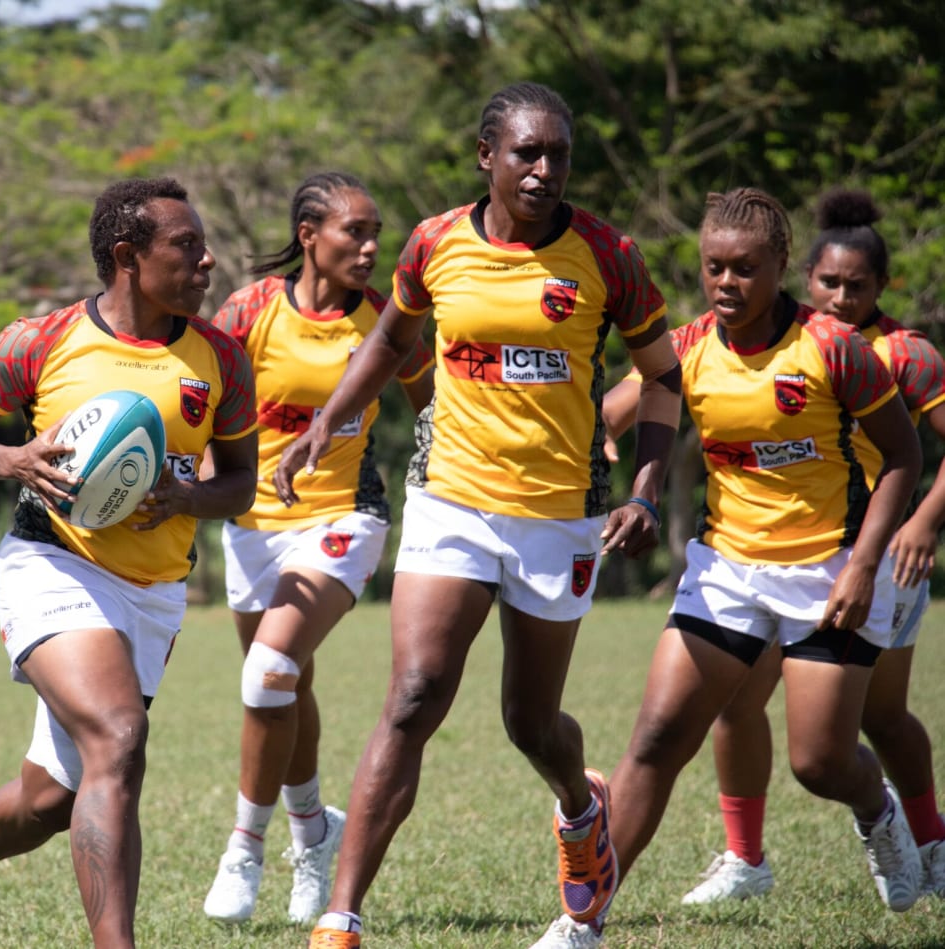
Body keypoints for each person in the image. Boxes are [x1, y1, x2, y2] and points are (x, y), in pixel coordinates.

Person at [273, 81, 683, 949]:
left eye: (558, 155)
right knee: (415, 694)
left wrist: (647, 486)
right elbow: (390, 341)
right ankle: (340, 918)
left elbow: (662, 376)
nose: (543, 170)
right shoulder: (433, 243)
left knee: (530, 725)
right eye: (526, 153)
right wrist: (329, 419)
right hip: (450, 495)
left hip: (559, 513)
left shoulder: (610, 254)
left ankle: (582, 806)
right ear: (486, 157)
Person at [0, 176, 259, 949]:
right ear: (127, 257)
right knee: (119, 736)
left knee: (49, 800)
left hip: (153, 592)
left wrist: (183, 498)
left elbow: (240, 483)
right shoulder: (41, 339)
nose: (208, 261)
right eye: (187, 247)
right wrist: (15, 460)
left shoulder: (222, 358)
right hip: (53, 563)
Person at [592, 187, 925, 943]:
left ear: (781, 266)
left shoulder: (834, 346)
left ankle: (877, 805)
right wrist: (599, 446)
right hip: (728, 571)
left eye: (745, 268)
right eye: (714, 267)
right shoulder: (686, 349)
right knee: (654, 736)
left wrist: (864, 563)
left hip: (828, 570)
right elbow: (610, 412)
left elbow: (905, 457)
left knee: (819, 762)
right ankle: (586, 917)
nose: (726, 283)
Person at [200, 171, 434, 926]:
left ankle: (244, 846)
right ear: (309, 236)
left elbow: (437, 409)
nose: (370, 248)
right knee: (286, 687)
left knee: (268, 672)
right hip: (250, 524)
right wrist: (191, 480)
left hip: (344, 515)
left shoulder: (386, 320)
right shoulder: (249, 309)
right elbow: (202, 406)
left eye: (375, 235)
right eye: (353, 233)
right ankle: (314, 837)